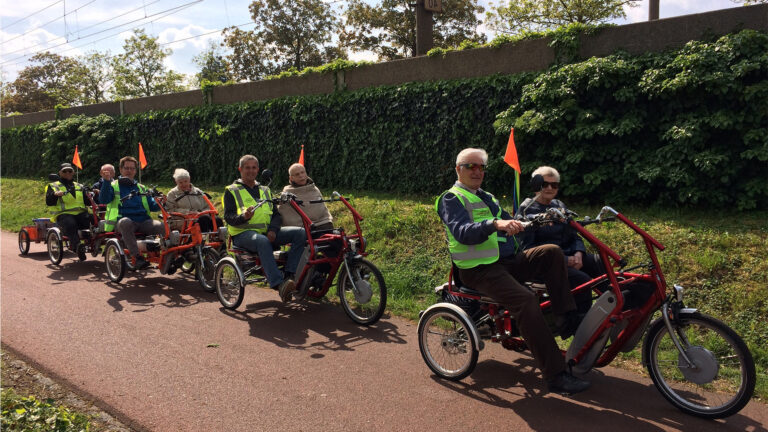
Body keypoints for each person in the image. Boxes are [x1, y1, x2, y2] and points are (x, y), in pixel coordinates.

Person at [436, 148, 590, 395]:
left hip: (505, 262)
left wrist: (537, 221)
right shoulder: (451, 198)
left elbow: (514, 223)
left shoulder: (487, 197)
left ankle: (565, 317)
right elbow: (462, 232)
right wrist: (495, 224)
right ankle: (556, 375)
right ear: (458, 170)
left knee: (551, 252)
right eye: (470, 166)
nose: (477, 171)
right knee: (526, 300)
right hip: (478, 270)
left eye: (481, 167)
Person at [516, 166, 604, 314]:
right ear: (536, 185)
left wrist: (578, 253)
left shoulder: (559, 205)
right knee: (582, 279)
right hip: (546, 264)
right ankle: (578, 322)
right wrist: (565, 259)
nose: (550, 188)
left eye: (554, 185)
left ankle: (614, 310)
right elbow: (528, 248)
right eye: (545, 184)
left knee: (600, 262)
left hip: (569, 255)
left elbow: (574, 233)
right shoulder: (526, 211)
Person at [223, 155, 307, 302]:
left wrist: (273, 229)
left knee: (300, 233)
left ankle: (289, 276)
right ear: (240, 169)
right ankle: (278, 284)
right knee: (262, 241)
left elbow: (276, 215)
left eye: (254, 167)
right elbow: (229, 217)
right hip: (242, 235)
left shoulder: (265, 190)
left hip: (266, 232)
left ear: (258, 170)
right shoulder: (232, 190)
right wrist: (243, 217)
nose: (251, 171)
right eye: (247, 168)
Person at [99, 156, 165, 270]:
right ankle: (137, 257)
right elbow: (104, 200)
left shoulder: (141, 187)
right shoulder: (113, 185)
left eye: (132, 168)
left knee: (161, 225)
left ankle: (168, 255)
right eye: (126, 168)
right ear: (121, 169)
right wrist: (106, 181)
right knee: (126, 222)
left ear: (135, 170)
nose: (129, 171)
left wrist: (161, 202)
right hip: (121, 220)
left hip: (143, 220)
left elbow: (152, 206)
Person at [46, 162, 91, 252]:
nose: (68, 173)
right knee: (71, 223)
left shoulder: (79, 186)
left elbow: (87, 202)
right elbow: (49, 202)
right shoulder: (53, 186)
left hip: (80, 213)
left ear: (73, 172)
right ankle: (77, 246)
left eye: (70, 171)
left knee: (94, 220)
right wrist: (54, 195)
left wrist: (92, 194)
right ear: (60, 173)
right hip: (64, 214)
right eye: (65, 171)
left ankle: (93, 243)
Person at [278, 163, 333, 231]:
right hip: (300, 228)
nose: (301, 176)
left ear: (306, 173)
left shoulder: (314, 189)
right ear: (291, 178)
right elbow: (285, 216)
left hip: (322, 223)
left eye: (302, 172)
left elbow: (322, 210)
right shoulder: (287, 193)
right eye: (297, 174)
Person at [165, 168, 223, 233]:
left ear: (189, 179)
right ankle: (202, 241)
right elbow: (169, 210)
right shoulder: (172, 194)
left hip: (200, 216)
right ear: (176, 182)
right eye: (180, 182)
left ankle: (219, 241)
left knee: (217, 220)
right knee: (203, 219)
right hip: (182, 220)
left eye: (185, 181)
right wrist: (188, 212)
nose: (184, 184)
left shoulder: (198, 192)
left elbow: (208, 206)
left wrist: (201, 213)